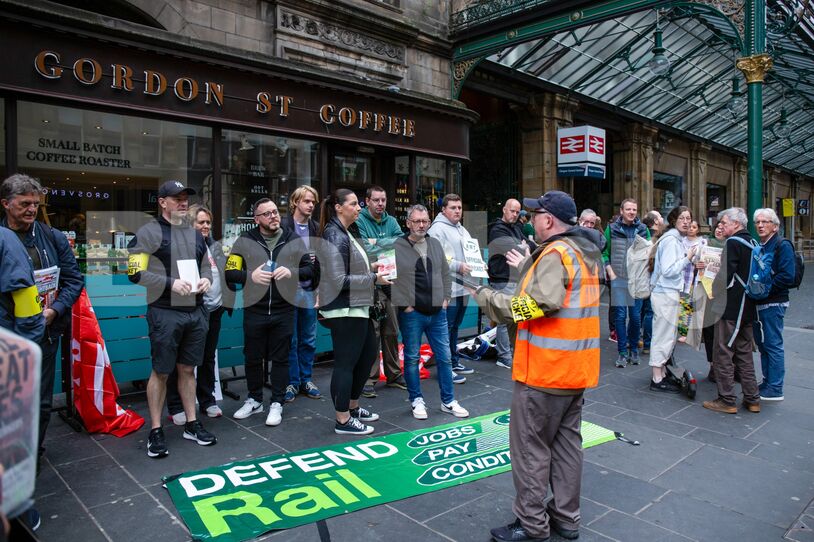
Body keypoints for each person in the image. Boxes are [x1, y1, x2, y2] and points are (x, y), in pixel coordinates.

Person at [471, 191, 601, 542]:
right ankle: (566, 518)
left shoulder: (556, 253)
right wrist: (529, 267)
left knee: (530, 450)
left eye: (534, 214)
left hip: (545, 372)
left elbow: (540, 304)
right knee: (566, 447)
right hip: (575, 371)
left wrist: (489, 299)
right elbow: (565, 294)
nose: (530, 220)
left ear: (548, 220)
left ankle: (531, 525)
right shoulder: (584, 252)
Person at [128, 180, 215, 458]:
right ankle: (156, 429)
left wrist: (205, 279)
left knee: (188, 369)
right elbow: (134, 273)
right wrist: (169, 283)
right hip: (164, 311)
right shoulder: (147, 232)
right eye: (176, 198)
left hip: (195, 311)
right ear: (162, 202)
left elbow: (207, 268)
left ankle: (191, 423)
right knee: (162, 371)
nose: (182, 202)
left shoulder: (195, 234)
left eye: (185, 198)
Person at [1, 174, 84, 461]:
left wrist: (54, 310)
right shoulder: (2, 239)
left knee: (39, 400)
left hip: (45, 332)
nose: (31, 209)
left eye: (35, 204)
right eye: (25, 203)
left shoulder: (53, 237)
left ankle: (32, 455)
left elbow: (74, 280)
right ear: (6, 204)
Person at [225, 198, 312, 426]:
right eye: (267, 214)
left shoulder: (292, 239)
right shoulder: (245, 240)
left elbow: (309, 269)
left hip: (284, 310)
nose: (274, 216)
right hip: (255, 309)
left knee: (281, 358)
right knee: (252, 357)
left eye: (275, 212)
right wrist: (249, 276)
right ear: (257, 219)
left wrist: (292, 271)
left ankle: (277, 402)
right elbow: (230, 272)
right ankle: (254, 399)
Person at [318, 188, 390, 435]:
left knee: (367, 354)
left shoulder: (345, 233)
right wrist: (374, 277)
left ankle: (352, 406)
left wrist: (371, 266)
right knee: (346, 364)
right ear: (338, 207)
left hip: (357, 307)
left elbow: (348, 267)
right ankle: (342, 419)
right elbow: (338, 279)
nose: (359, 208)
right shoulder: (335, 234)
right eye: (353, 204)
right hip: (344, 309)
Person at [392, 205, 469, 420]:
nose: (421, 225)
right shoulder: (398, 246)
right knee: (412, 358)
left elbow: (445, 273)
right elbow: (391, 280)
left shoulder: (435, 244)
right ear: (407, 223)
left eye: (425, 221)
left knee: (444, 358)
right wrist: (405, 305)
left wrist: (445, 298)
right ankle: (416, 400)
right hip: (412, 313)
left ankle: (448, 401)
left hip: (438, 313)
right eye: (416, 221)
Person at [166, 205, 234, 424]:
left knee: (207, 357)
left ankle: (207, 400)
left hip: (214, 311)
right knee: (181, 360)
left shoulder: (214, 246)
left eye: (207, 223)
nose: (205, 226)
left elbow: (222, 275)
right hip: (190, 311)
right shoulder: (182, 247)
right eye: (200, 222)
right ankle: (176, 405)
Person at [702, 207, 760, 414]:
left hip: (731, 308)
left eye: (724, 222)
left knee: (723, 352)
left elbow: (724, 276)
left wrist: (712, 292)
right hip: (748, 307)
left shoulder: (734, 242)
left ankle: (727, 399)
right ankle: (752, 399)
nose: (721, 225)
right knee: (744, 353)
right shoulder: (753, 242)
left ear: (736, 224)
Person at [355, 185, 407, 397]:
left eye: (383, 200)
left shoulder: (392, 221)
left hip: (392, 282)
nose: (380, 204)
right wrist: (386, 245)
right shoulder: (360, 221)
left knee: (391, 331)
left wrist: (377, 243)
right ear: (367, 201)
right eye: (376, 200)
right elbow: (365, 250)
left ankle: (394, 375)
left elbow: (401, 243)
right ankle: (369, 378)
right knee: (373, 332)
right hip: (371, 284)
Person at [648, 206, 696, 392]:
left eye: (689, 218)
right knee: (663, 336)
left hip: (667, 293)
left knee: (666, 335)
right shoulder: (671, 241)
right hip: (665, 294)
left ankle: (660, 372)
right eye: (682, 218)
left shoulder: (674, 239)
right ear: (674, 220)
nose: (686, 222)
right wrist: (688, 258)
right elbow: (669, 270)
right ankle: (657, 378)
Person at [281, 185, 322, 403]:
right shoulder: (284, 225)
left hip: (309, 289)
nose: (311, 205)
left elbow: (322, 261)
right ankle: (292, 381)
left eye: (313, 202)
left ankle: (306, 379)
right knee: (291, 339)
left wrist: (319, 289)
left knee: (308, 338)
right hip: (288, 289)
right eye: (307, 201)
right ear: (295, 202)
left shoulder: (316, 227)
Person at [428, 194, 474, 382]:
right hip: (448, 288)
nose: (457, 211)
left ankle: (453, 361)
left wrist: (478, 265)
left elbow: (471, 252)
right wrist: (457, 265)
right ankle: (444, 368)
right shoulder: (437, 229)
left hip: (463, 287)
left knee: (454, 327)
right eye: (453, 207)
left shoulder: (461, 228)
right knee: (444, 330)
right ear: (443, 210)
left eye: (459, 207)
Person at [753, 207, 796, 402]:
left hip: (773, 303)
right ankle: (768, 381)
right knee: (765, 345)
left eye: (765, 222)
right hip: (763, 302)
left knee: (773, 344)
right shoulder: (763, 244)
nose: (760, 225)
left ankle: (776, 387)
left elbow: (788, 276)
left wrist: (765, 289)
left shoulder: (782, 245)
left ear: (775, 226)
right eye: (758, 222)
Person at [487, 198, 534, 369]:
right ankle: (504, 356)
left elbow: (529, 244)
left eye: (517, 211)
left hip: (515, 278)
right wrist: (524, 247)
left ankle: (511, 352)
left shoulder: (515, 228)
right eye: (512, 211)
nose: (515, 214)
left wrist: (524, 246)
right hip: (501, 278)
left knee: (516, 317)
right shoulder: (497, 229)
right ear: (504, 210)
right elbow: (516, 248)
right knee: (505, 319)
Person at [603, 199, 650, 367]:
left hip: (637, 280)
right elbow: (604, 252)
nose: (631, 212)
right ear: (621, 211)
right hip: (619, 279)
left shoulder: (643, 229)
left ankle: (634, 350)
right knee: (620, 317)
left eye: (634, 209)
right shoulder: (612, 229)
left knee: (636, 318)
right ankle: (622, 352)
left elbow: (649, 253)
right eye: (628, 209)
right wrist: (610, 272)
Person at [640, 210, 663, 354]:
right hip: (652, 277)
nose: (662, 219)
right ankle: (648, 343)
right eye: (660, 217)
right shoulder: (655, 237)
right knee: (649, 311)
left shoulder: (641, 233)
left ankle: (640, 338)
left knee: (642, 310)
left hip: (642, 277)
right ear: (655, 221)